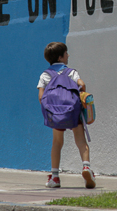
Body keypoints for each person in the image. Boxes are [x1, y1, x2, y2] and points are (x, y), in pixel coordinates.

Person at [38, 42, 95, 189]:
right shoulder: (71, 72)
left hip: (55, 114)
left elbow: (41, 96)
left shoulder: (45, 74)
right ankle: (86, 168)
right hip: (73, 111)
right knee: (81, 141)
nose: (68, 55)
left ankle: (55, 177)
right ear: (61, 57)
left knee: (57, 143)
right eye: (66, 53)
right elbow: (81, 84)